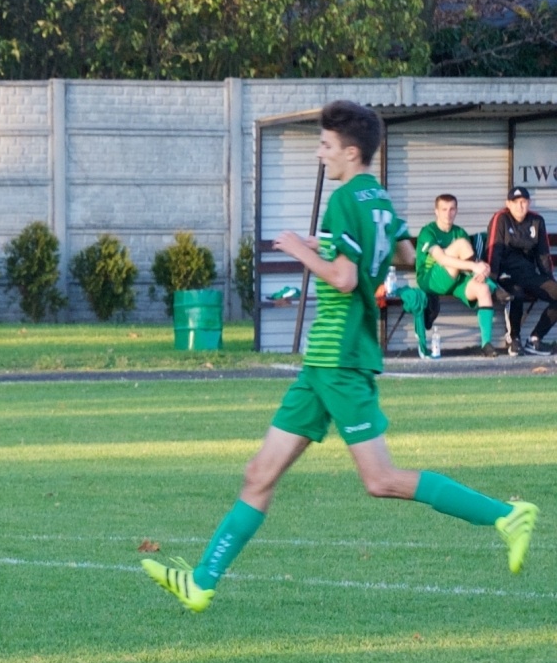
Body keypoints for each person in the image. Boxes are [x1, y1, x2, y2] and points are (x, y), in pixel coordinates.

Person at [141, 101, 538, 613]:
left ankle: (505, 516)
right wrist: (326, 245)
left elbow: (347, 278)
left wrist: (300, 249)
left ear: (351, 152)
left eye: (326, 144)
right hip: (323, 362)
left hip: (340, 358)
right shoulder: (376, 197)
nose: (320, 152)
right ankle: (202, 582)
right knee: (259, 472)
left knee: (382, 479)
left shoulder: (345, 199)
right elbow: (401, 254)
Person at [412, 193, 498, 357]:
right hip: (431, 279)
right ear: (436, 211)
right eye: (444, 209)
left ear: (456, 211)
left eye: (452, 209)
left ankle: (486, 344)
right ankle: (497, 286)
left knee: (483, 289)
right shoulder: (428, 231)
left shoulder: (459, 231)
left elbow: (468, 269)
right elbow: (442, 259)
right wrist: (475, 266)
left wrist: (482, 270)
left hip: (456, 279)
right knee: (461, 245)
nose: (448, 213)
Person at [486, 186, 557, 356]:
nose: (520, 206)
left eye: (524, 202)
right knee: (515, 294)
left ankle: (534, 339)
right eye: (516, 202)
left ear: (529, 203)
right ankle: (514, 340)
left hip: (528, 274)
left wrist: (549, 280)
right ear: (508, 204)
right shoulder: (500, 218)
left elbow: (543, 254)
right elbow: (492, 251)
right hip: (505, 274)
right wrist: (491, 282)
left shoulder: (537, 221)